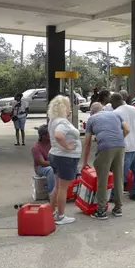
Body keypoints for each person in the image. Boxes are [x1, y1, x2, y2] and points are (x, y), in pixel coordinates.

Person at [82, 102, 129, 219]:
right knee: (118, 178)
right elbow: (127, 129)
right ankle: (118, 208)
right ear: (102, 109)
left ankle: (101, 211)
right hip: (120, 146)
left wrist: (84, 162)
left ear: (91, 111)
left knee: (102, 179)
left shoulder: (92, 119)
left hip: (106, 147)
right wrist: (118, 138)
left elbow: (87, 142)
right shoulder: (115, 115)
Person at [47, 95, 81, 225]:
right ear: (63, 107)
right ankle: (60, 216)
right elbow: (59, 135)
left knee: (57, 186)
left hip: (55, 155)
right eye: (68, 106)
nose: (70, 109)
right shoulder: (62, 122)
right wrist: (68, 146)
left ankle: (52, 211)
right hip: (65, 157)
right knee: (63, 188)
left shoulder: (53, 120)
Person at [111, 93, 135, 201]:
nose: (111, 105)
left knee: (120, 173)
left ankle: (114, 195)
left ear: (116, 101)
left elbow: (116, 130)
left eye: (111, 102)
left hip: (126, 146)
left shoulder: (115, 113)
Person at [32, 125, 55, 195]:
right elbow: (42, 163)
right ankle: (51, 193)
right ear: (43, 136)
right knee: (51, 170)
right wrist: (57, 163)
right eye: (50, 133)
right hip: (40, 167)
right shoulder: (36, 147)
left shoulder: (53, 143)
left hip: (53, 162)